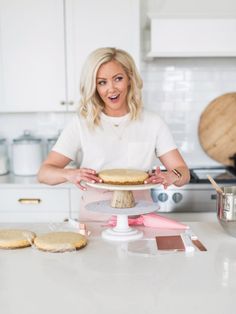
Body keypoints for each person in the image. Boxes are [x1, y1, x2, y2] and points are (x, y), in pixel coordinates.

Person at [38, 47, 190, 221]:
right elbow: (44, 173)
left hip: (139, 217)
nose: (111, 89)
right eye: (102, 82)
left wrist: (172, 175)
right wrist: (69, 174)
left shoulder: (153, 122)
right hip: (95, 219)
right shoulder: (81, 123)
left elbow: (183, 172)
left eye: (118, 79)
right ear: (94, 86)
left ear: (129, 80)